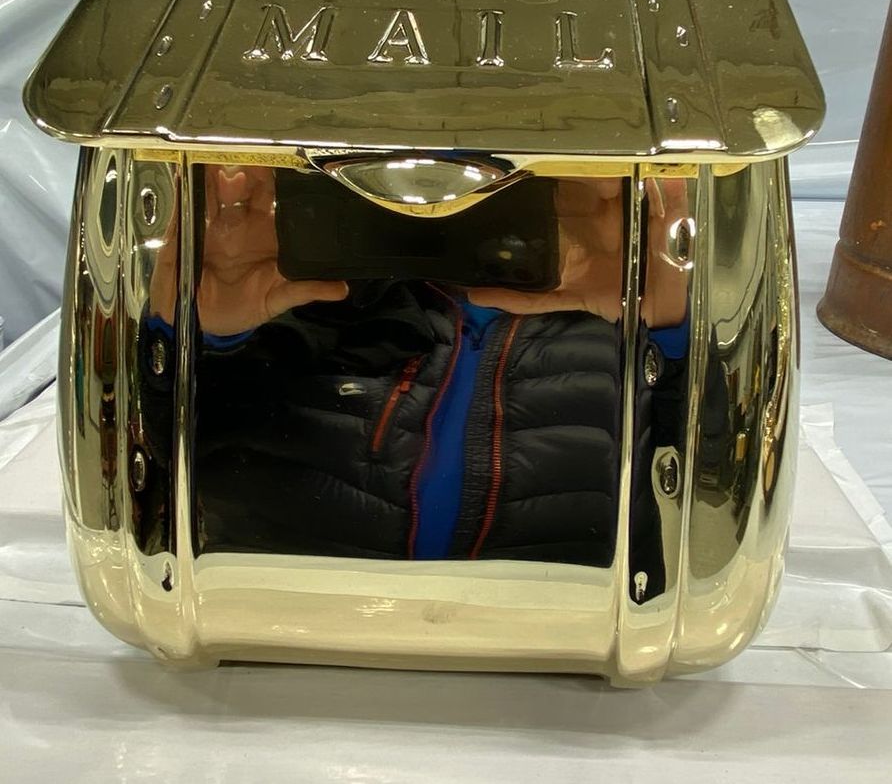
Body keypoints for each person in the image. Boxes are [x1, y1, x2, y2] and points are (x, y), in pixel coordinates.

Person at [142, 162, 689, 588]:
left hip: (563, 662)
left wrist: (669, 332)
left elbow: (704, 496)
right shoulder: (297, 295)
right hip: (280, 646)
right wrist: (199, 339)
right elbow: (156, 473)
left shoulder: (615, 308)